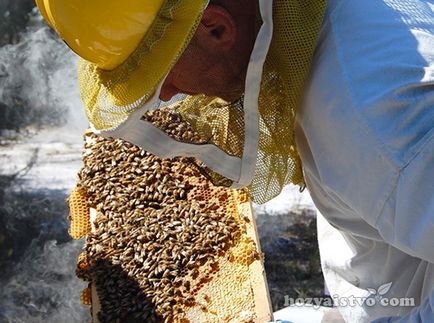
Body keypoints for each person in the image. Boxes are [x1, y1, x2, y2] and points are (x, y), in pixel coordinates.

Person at [36, 0, 434, 321]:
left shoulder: (374, 118)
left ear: (216, 28)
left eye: (160, 73)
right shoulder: (337, 29)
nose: (167, 94)